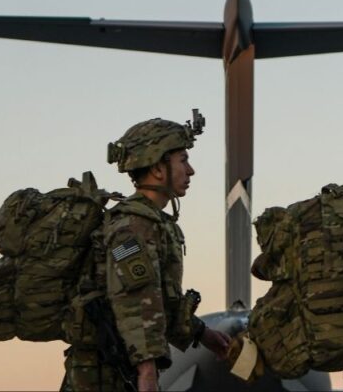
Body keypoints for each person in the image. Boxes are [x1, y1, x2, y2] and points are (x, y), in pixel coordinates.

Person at [62, 112, 230, 392]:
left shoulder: (153, 222)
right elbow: (135, 299)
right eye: (183, 160)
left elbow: (161, 301)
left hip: (120, 371)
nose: (190, 171)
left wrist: (204, 334)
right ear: (157, 168)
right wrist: (147, 372)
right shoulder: (133, 226)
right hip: (103, 376)